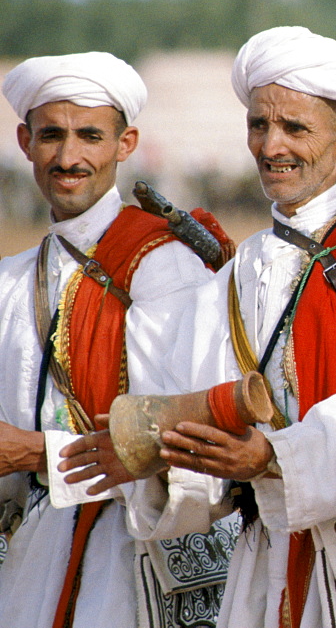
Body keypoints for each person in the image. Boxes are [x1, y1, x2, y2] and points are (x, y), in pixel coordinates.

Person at [106, 26, 336, 628]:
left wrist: (274, 458)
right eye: (259, 125)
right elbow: (198, 405)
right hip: (263, 567)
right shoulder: (234, 274)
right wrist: (153, 457)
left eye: (295, 128)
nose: (271, 145)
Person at [0, 52, 227, 627]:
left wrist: (33, 452)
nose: (68, 157)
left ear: (126, 145)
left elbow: (175, 434)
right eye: (51, 135)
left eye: (90, 136)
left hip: (132, 557)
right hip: (30, 554)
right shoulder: (10, 279)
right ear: (25, 142)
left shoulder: (161, 265)